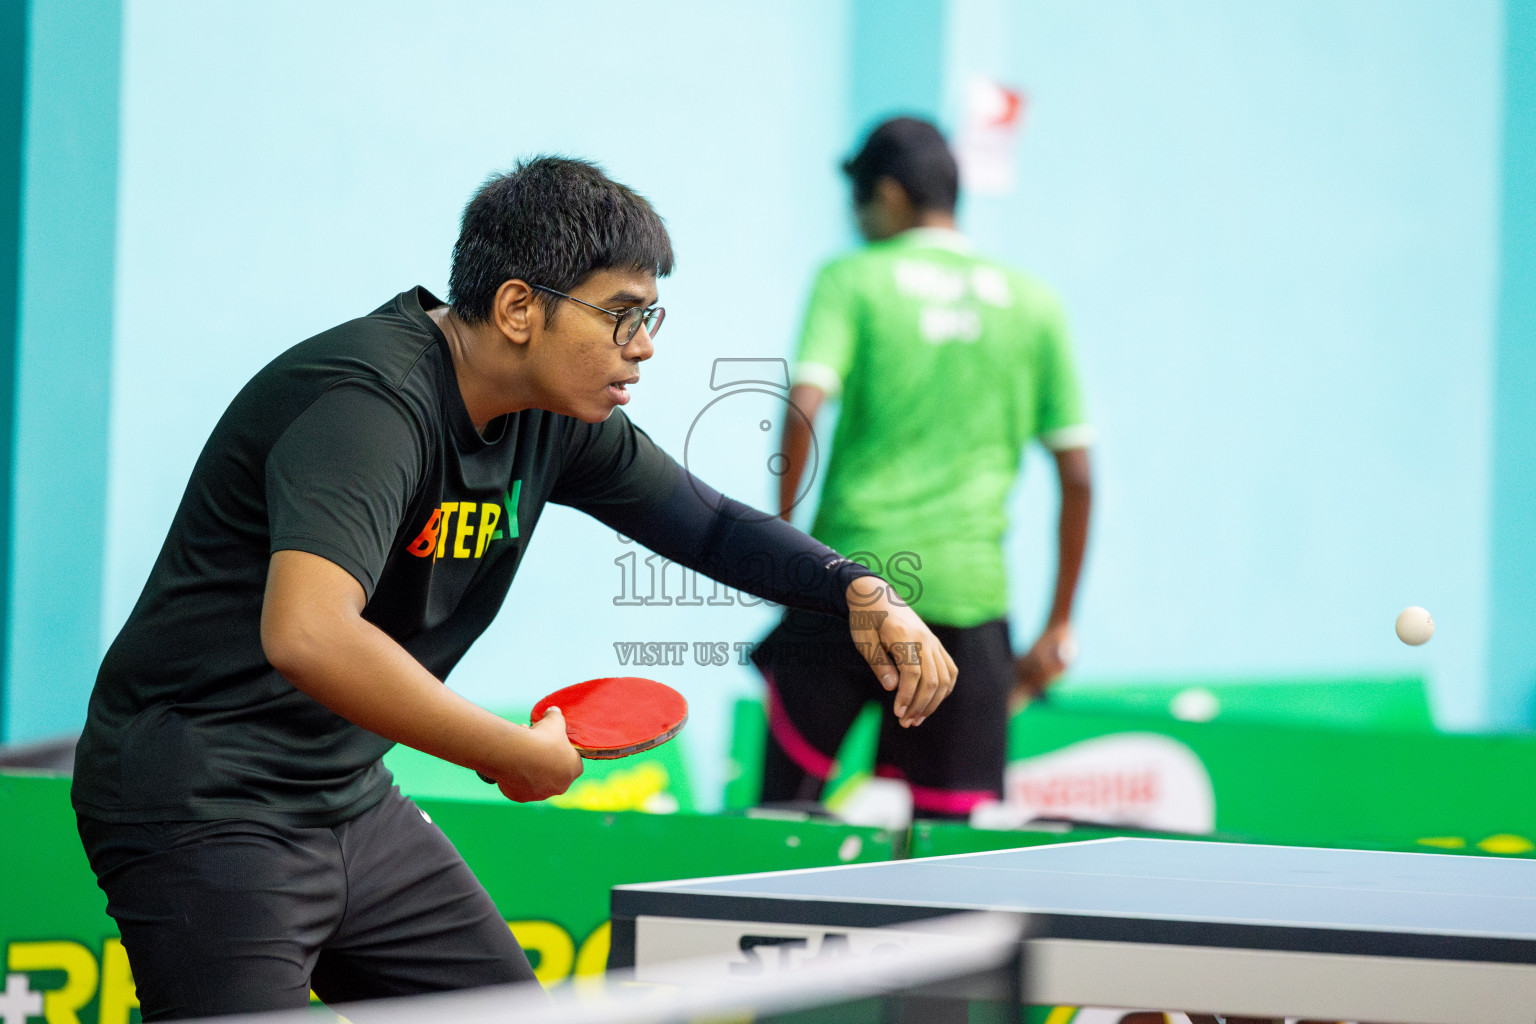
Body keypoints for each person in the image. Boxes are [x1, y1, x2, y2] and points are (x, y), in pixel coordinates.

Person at [70, 157, 957, 1021]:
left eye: (651, 316)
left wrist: (858, 590)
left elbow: (713, 525)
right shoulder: (367, 404)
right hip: (203, 797)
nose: (643, 346)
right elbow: (309, 634)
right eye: (620, 315)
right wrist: (503, 750)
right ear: (519, 308)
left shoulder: (554, 422)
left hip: (345, 794)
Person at [753, 117, 1092, 820]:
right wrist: (1058, 624)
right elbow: (1080, 473)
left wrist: (780, 550)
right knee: (950, 851)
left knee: (780, 826)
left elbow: (804, 407)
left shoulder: (851, 280)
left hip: (845, 586)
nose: (857, 222)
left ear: (890, 195)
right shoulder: (1035, 304)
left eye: (859, 203)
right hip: (968, 604)